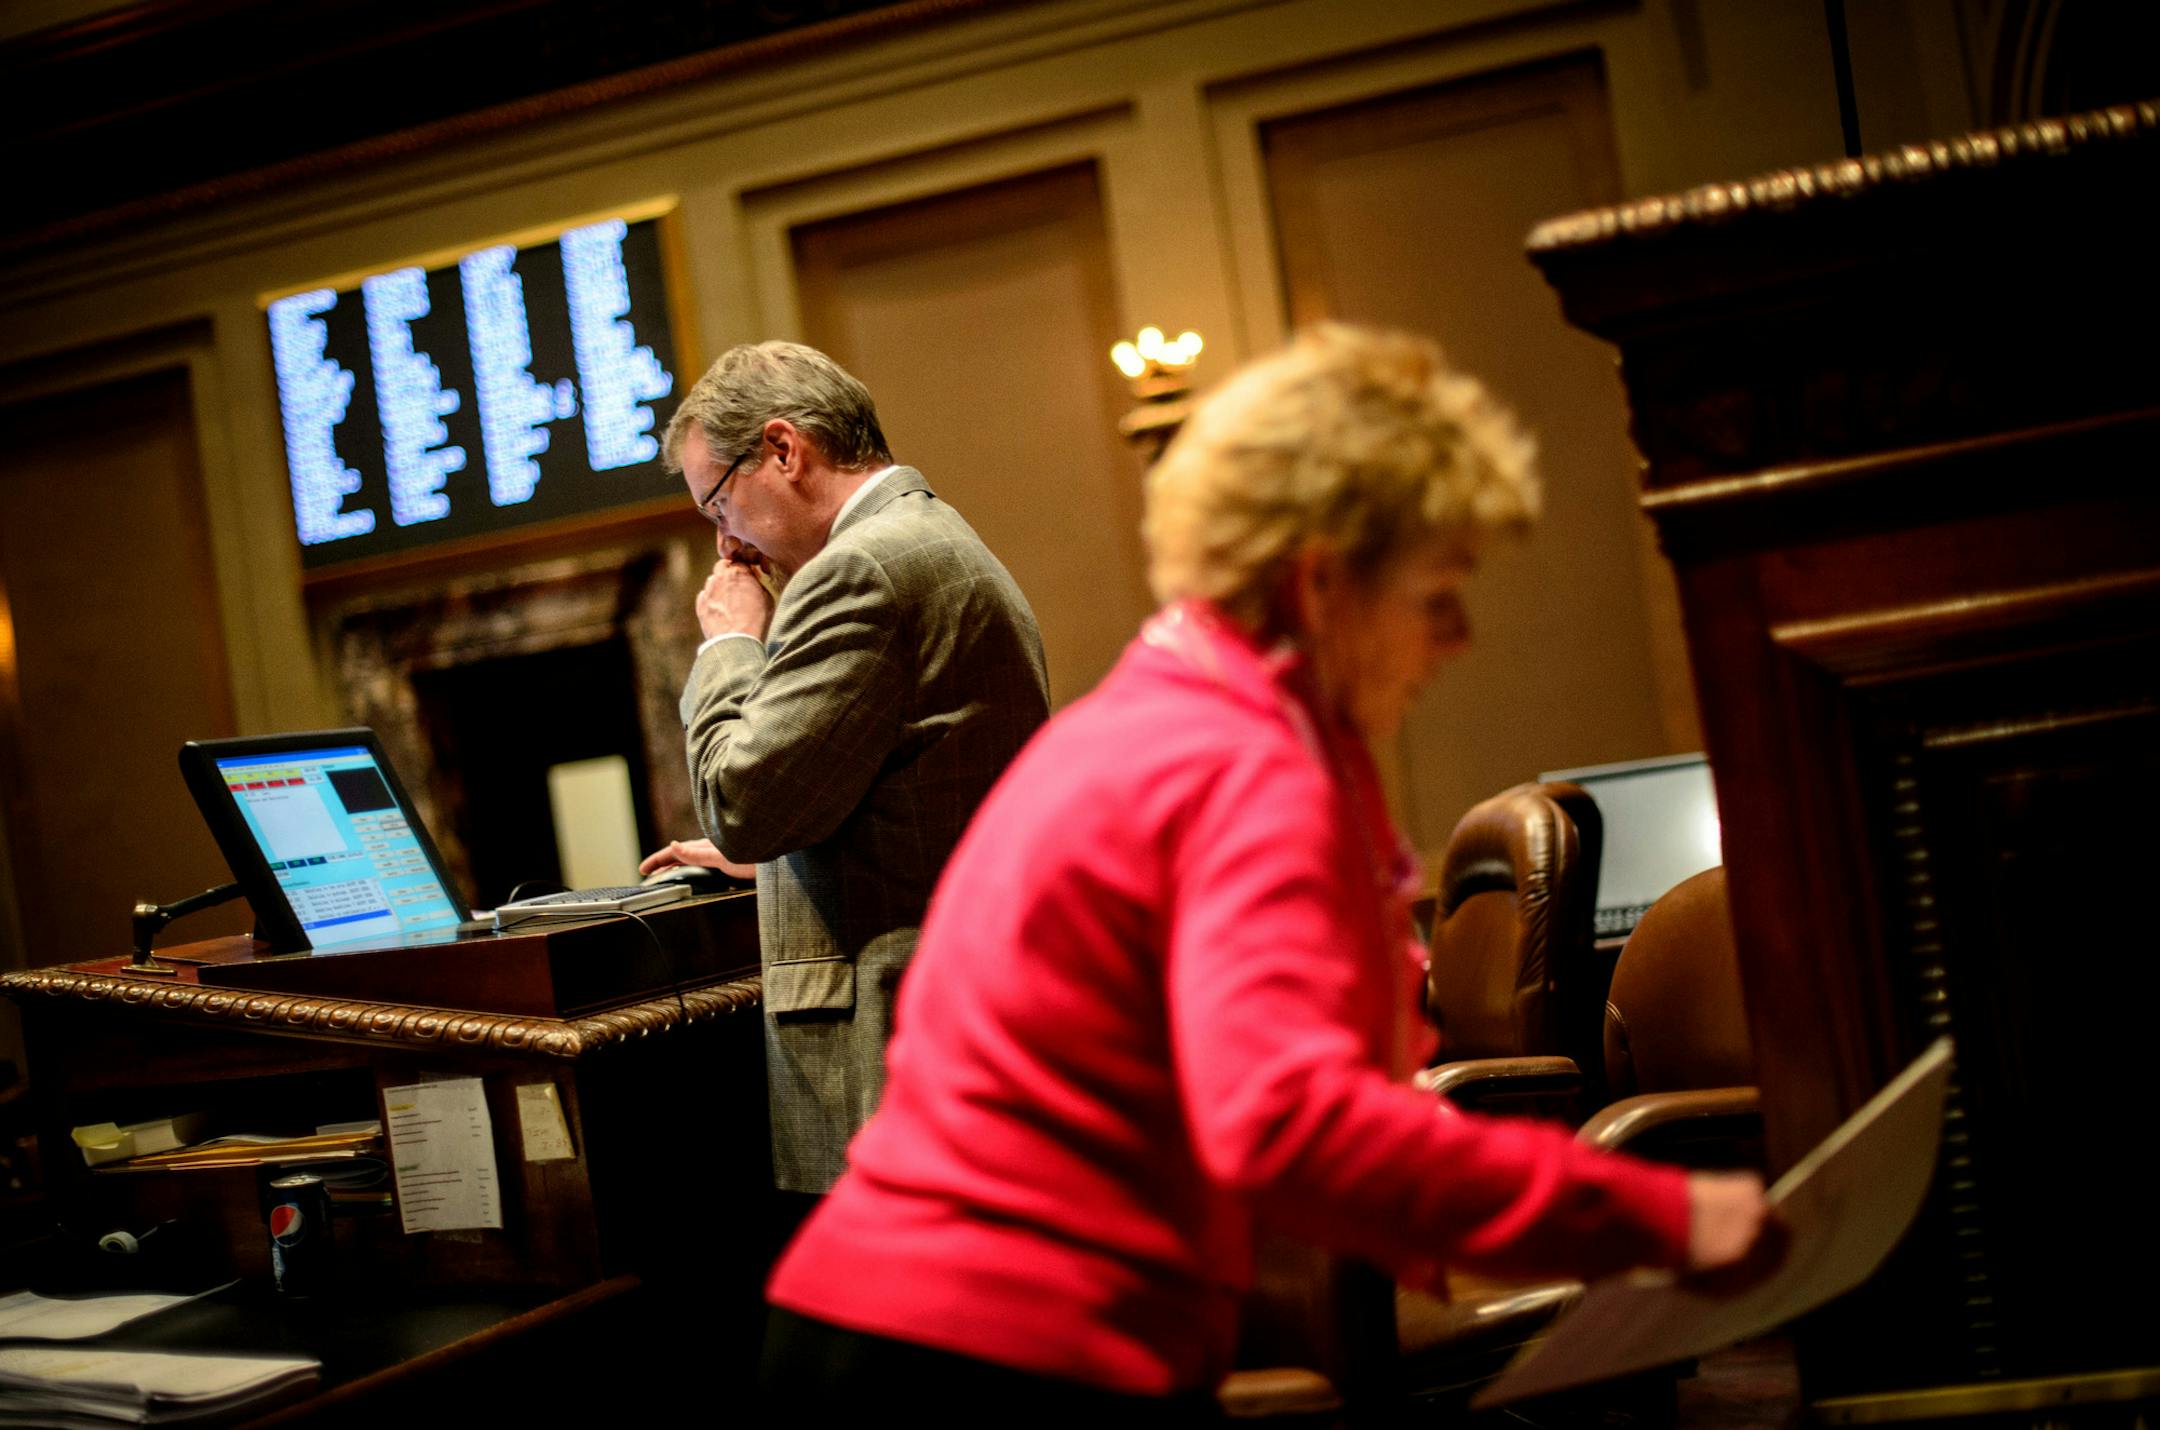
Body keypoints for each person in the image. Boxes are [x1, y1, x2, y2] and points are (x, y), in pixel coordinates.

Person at [761, 325, 1782, 1417]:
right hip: (985, 1359)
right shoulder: (1244, 767)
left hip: (896, 1328)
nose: (1459, 632)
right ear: (1323, 581)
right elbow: (1290, 1122)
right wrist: (1665, 1220)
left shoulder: (1160, 713)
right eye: (1439, 587)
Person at [642, 340, 1050, 1199]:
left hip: (899, 1049)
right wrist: (781, 862)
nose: (724, 543)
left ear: (785, 451)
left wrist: (729, 644)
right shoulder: (935, 536)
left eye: (718, 502)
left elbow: (738, 802)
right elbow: (917, 788)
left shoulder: (860, 569)